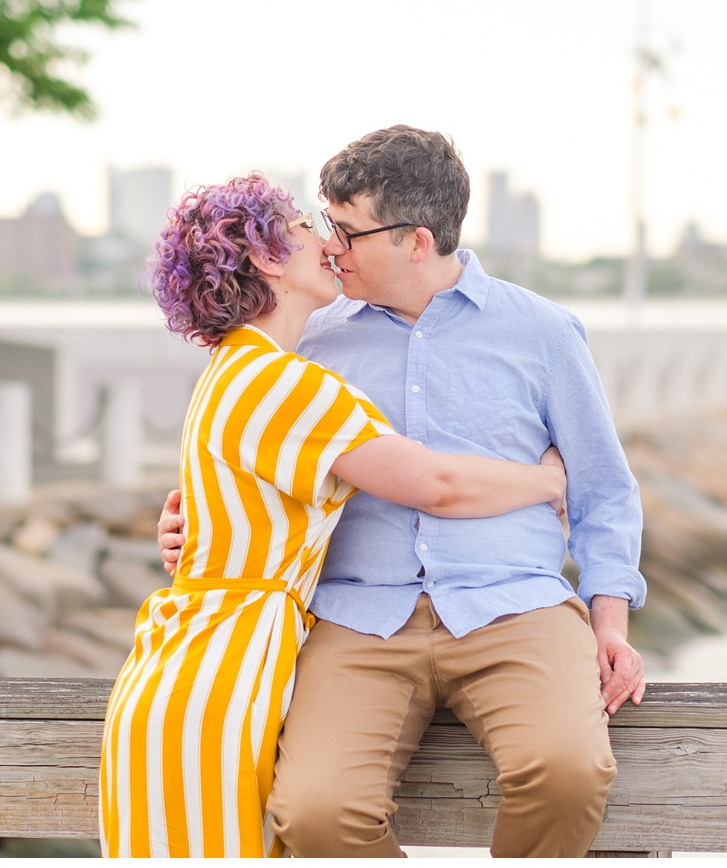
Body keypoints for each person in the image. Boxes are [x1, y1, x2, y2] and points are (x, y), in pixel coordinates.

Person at [158, 125, 646, 858]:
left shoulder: (543, 333)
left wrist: (611, 622)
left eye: (347, 231)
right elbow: (245, 453)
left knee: (570, 771)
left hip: (514, 602)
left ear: (417, 241)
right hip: (357, 613)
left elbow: (605, 494)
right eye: (324, 225)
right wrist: (186, 520)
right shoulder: (308, 338)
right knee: (316, 812)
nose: (329, 246)